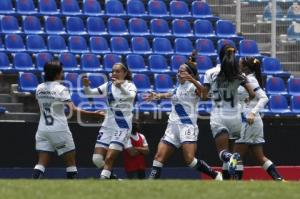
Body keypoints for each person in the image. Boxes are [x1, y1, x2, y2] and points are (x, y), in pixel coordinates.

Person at [146, 52, 222, 180]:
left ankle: (216, 175)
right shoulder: (179, 86)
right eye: (178, 71)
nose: (178, 73)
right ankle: (149, 185)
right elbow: (173, 94)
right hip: (172, 127)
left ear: (189, 74)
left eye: (182, 71)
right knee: (159, 157)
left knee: (190, 160)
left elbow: (204, 95)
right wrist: (159, 96)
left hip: (187, 126)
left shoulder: (193, 85)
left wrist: (192, 79)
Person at [33, 60, 104, 179]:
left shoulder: (39, 88)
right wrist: (94, 114)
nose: (62, 74)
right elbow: (74, 110)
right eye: (61, 72)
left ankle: (31, 190)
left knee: (41, 163)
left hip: (42, 130)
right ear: (57, 74)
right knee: (71, 163)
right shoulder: (61, 89)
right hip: (59, 129)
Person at [202, 45, 256, 179]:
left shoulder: (210, 73)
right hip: (236, 117)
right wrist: (246, 99)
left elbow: (203, 96)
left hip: (219, 116)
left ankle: (231, 158)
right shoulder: (240, 74)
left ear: (220, 55)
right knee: (231, 155)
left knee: (223, 153)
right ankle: (231, 183)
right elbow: (252, 94)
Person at [83, 62, 137, 179]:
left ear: (125, 73)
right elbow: (89, 93)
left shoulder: (130, 85)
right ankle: (113, 179)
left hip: (122, 125)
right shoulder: (107, 85)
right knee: (97, 159)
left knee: (109, 158)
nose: (114, 73)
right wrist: (86, 86)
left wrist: (120, 87)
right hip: (108, 124)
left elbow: (131, 97)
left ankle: (103, 181)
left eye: (117, 71)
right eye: (113, 71)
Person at [234, 57, 284, 180]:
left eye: (240, 63)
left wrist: (253, 112)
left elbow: (264, 97)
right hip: (253, 122)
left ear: (245, 67)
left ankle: (235, 184)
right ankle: (279, 179)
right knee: (260, 156)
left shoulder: (250, 79)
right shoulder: (245, 79)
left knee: (236, 156)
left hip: (248, 121)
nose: (238, 64)